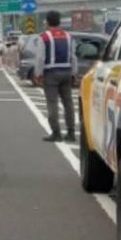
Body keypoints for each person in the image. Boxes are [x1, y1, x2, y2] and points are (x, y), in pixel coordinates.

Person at [33, 10, 78, 142]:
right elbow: (73, 57)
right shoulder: (68, 36)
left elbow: (40, 58)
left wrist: (38, 74)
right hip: (67, 73)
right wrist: (74, 73)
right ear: (59, 21)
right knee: (68, 103)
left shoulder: (44, 37)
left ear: (47, 22)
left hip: (51, 74)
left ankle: (56, 133)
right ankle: (71, 132)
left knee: (52, 103)